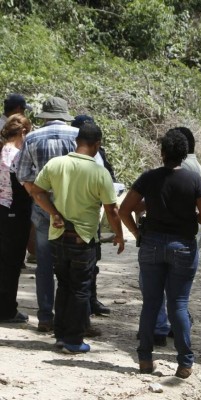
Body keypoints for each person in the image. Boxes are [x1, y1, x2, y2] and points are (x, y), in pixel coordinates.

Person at [119, 129, 201, 378]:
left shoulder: (149, 178)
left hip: (151, 244)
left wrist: (137, 233)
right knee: (178, 305)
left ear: (162, 153)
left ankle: (145, 360)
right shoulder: (194, 180)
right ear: (184, 155)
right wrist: (190, 216)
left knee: (151, 303)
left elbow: (124, 209)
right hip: (183, 245)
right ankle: (184, 363)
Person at [29, 122, 125, 354]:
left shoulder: (56, 164)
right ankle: (73, 340)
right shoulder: (99, 173)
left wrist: (53, 213)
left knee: (63, 284)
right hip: (83, 239)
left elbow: (36, 191)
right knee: (81, 289)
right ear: (97, 144)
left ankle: (61, 335)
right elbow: (111, 210)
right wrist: (120, 235)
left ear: (77, 141)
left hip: (58, 235)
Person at [15, 96, 78, 332]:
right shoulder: (78, 136)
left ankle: (45, 316)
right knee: (72, 262)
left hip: (43, 209)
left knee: (44, 263)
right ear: (64, 115)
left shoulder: (31, 138)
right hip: (74, 207)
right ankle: (70, 317)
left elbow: (22, 175)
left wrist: (38, 196)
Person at [71, 114, 113, 317]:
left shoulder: (100, 154)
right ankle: (80, 312)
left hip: (91, 215)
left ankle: (90, 301)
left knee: (92, 262)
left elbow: (110, 177)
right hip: (75, 217)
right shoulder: (69, 155)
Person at [0, 115, 32, 323]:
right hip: (14, 212)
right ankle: (7, 310)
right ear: (23, 132)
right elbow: (25, 185)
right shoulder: (16, 155)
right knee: (12, 262)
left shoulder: (1, 150)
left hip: (2, 209)